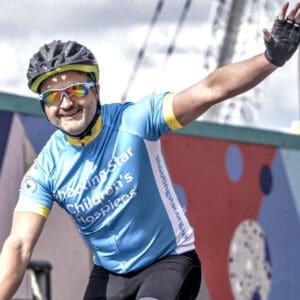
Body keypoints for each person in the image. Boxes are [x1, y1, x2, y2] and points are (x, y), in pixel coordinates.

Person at [0, 2, 300, 299]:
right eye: (53, 97)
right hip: (110, 273)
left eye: (77, 90)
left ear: (97, 90)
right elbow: (19, 245)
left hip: (168, 261)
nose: (66, 104)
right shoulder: (45, 169)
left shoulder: (135, 120)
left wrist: (270, 58)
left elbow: (210, 89)